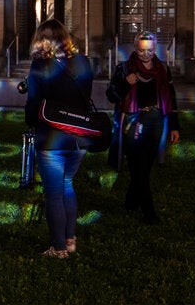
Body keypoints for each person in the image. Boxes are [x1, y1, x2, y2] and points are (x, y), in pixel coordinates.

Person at [24, 19, 93, 258]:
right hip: (79, 137)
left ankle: (58, 247)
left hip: (51, 139)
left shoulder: (40, 66)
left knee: (53, 192)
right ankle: (70, 238)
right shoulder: (83, 62)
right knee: (67, 185)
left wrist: (31, 121)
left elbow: (32, 104)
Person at [106, 30, 180, 224]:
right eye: (141, 51)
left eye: (150, 50)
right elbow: (111, 96)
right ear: (135, 48)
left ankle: (131, 201)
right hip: (133, 120)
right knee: (137, 165)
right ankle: (149, 212)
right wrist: (125, 83)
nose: (146, 54)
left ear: (156, 49)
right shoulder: (123, 68)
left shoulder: (162, 69)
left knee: (146, 165)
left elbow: (171, 97)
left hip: (156, 119)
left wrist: (174, 126)